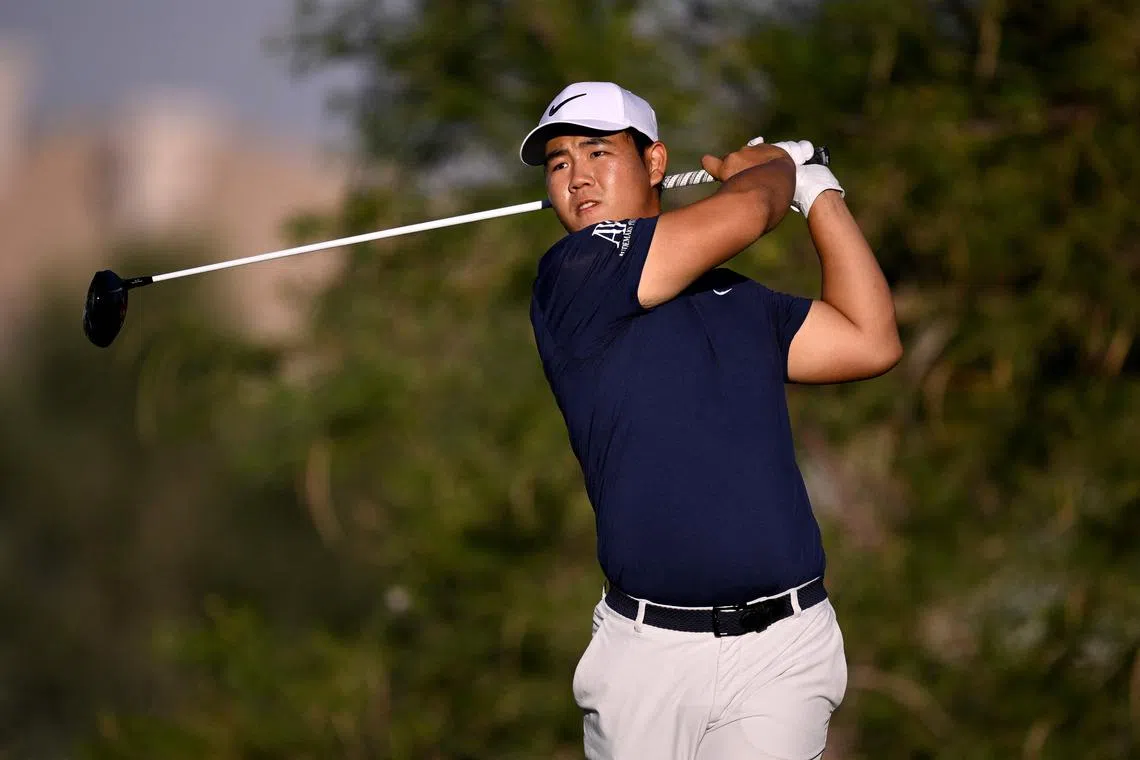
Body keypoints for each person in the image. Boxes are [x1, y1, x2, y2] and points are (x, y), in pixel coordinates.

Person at [521, 81, 902, 760]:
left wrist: (817, 192)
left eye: (597, 152)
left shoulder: (736, 298)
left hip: (783, 650)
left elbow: (870, 340)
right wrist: (775, 166)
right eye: (558, 163)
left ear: (656, 163)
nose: (576, 176)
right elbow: (751, 211)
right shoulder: (574, 275)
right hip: (647, 659)